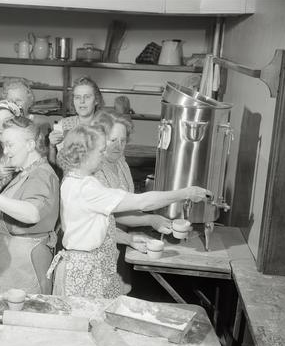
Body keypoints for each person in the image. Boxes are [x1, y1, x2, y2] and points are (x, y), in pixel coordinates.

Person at [48, 125, 211, 298]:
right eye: (100, 151)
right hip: (86, 270)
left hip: (85, 265)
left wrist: (129, 238)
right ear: (84, 154)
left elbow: (94, 225)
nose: (104, 155)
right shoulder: (87, 189)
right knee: (89, 321)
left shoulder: (72, 179)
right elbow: (143, 202)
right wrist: (185, 193)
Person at [0, 116, 59, 294]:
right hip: (11, 265)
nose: (6, 151)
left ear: (30, 145)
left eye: (10, 145)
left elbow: (32, 213)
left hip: (26, 266)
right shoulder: (26, 173)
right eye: (4, 145)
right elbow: (8, 211)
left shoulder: (41, 174)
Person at [91, 109, 172, 293]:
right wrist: (149, 220)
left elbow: (127, 203)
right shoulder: (94, 170)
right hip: (99, 248)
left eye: (123, 140)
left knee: (120, 293)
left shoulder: (120, 162)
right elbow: (112, 215)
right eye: (113, 140)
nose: (118, 146)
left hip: (119, 244)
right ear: (99, 138)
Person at [48, 76, 104, 164]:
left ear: (96, 100)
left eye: (87, 97)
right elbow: (54, 167)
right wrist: (52, 146)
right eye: (77, 97)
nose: (82, 101)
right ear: (73, 101)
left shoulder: (105, 126)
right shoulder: (63, 124)